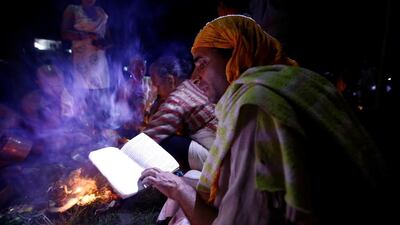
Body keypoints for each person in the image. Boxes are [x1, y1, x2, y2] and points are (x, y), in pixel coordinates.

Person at [140, 15, 387, 225]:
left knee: (185, 187)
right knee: (193, 178)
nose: (196, 76)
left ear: (236, 56)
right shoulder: (299, 80)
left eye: (203, 64)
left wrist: (179, 189)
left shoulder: (255, 109)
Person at [143, 55, 217, 171]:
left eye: (157, 85)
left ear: (170, 80)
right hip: (221, 148)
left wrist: (122, 151)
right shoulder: (192, 84)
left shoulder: (178, 99)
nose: (156, 91)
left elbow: (149, 137)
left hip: (215, 160)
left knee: (166, 142)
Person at [61, 0, 111, 122]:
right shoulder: (73, 9)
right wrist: (87, 36)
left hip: (99, 61)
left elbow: (108, 38)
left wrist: (104, 44)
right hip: (81, 60)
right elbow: (64, 33)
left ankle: (101, 132)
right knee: (82, 99)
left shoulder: (101, 12)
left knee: (100, 101)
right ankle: (83, 130)